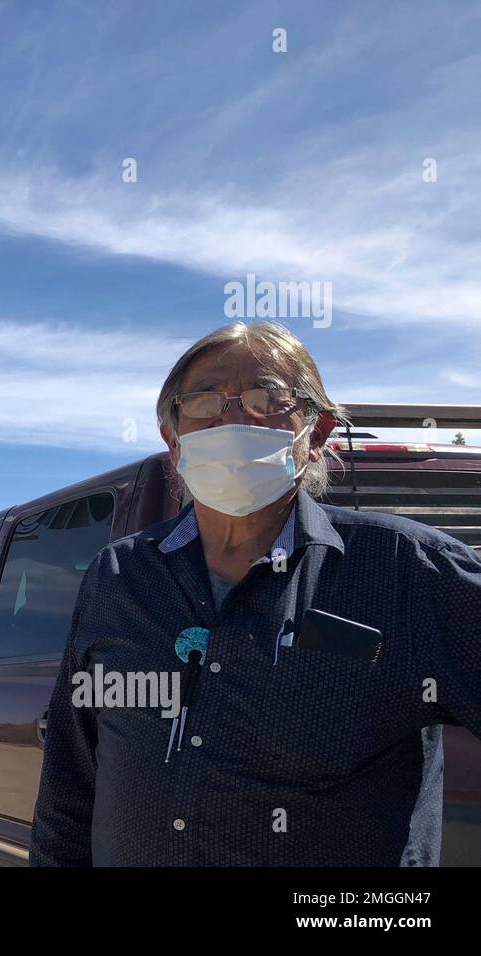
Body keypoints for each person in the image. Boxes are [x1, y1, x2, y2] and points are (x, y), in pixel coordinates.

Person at [29, 320, 481, 866]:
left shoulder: (408, 571)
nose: (233, 420)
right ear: (173, 441)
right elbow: (71, 775)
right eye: (204, 402)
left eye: (265, 399)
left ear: (316, 434)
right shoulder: (119, 576)